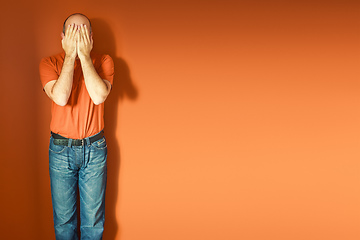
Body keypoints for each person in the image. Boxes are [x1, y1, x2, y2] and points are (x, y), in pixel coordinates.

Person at [39, 13, 114, 239]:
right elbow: (60, 98)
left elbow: (99, 96)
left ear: (90, 36)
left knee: (93, 222)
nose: (78, 36)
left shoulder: (104, 61)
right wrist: (71, 56)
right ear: (63, 36)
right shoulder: (49, 63)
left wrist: (85, 56)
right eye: (73, 31)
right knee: (64, 223)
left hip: (95, 148)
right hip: (61, 150)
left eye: (82, 32)